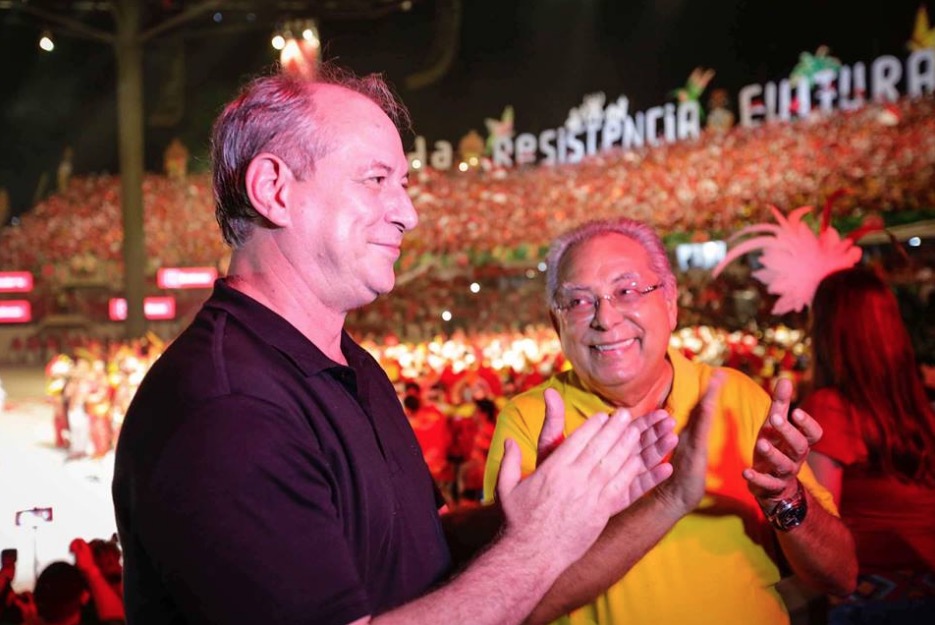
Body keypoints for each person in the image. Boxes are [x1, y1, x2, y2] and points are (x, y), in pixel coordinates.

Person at [112, 65, 679, 625]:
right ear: (274, 190)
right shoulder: (227, 410)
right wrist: (542, 544)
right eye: (376, 179)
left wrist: (526, 517)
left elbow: (410, 551)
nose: (407, 212)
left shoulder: (348, 365)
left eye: (403, 184)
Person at [484, 217, 858, 625]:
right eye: (578, 301)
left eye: (626, 291)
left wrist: (784, 498)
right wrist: (667, 501)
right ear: (557, 323)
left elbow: (841, 576)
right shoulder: (531, 421)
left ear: (670, 302)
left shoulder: (735, 396)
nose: (605, 320)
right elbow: (510, 604)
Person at [802, 266, 935, 624]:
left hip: (872, 598)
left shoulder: (829, 409)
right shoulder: (917, 404)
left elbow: (819, 521)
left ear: (829, 331)